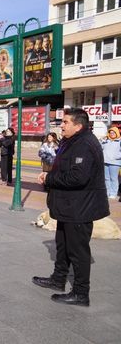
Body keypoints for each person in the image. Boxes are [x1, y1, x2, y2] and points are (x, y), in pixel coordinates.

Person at [34, 108, 109, 307]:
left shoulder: (85, 144)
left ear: (78, 125)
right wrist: (49, 176)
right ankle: (58, 280)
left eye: (66, 122)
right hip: (68, 207)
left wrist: (50, 177)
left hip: (80, 208)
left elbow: (78, 177)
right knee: (63, 245)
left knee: (78, 251)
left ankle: (81, 293)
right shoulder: (72, 141)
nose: (61, 125)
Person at [100, 126, 121, 199]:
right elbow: (100, 148)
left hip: (115, 163)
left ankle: (113, 193)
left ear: (116, 133)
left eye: (113, 133)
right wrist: (102, 141)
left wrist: (116, 156)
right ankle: (107, 192)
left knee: (113, 178)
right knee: (106, 178)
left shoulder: (120, 141)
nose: (112, 134)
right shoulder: (106, 140)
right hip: (105, 162)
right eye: (110, 133)